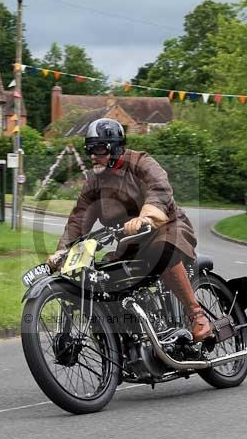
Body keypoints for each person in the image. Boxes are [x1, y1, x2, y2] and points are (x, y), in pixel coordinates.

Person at [46, 118, 212, 343]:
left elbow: (159, 187)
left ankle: (196, 313)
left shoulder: (140, 162)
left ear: (115, 147)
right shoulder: (94, 183)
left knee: (162, 250)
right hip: (131, 242)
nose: (93, 155)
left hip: (166, 226)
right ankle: (128, 336)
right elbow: (79, 218)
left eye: (99, 148)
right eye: (90, 150)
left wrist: (146, 216)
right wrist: (63, 250)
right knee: (105, 274)